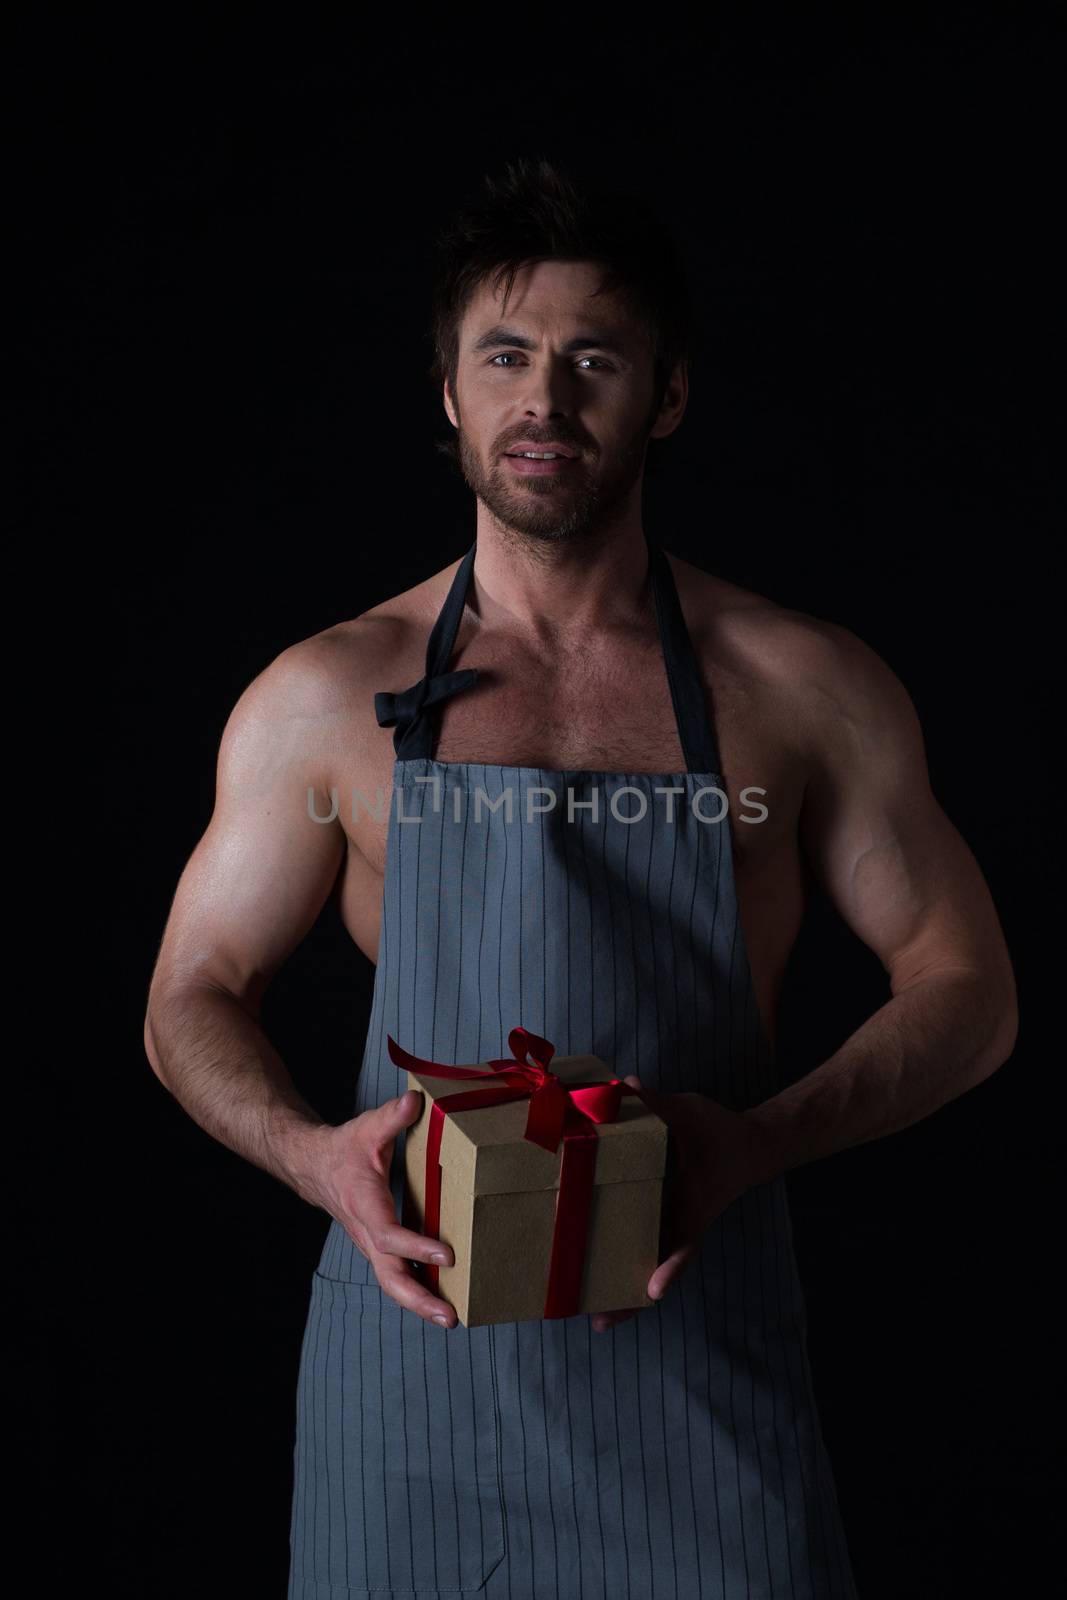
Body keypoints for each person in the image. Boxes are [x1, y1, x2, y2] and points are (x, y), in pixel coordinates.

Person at [143, 157, 1017, 1600]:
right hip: (407, 1371)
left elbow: (970, 990)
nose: (543, 400)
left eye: (591, 359)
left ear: (663, 394)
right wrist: (315, 1163)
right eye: (505, 357)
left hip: (697, 1347)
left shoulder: (799, 686)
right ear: (450, 394)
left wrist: (760, 1143)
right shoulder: (324, 694)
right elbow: (191, 994)